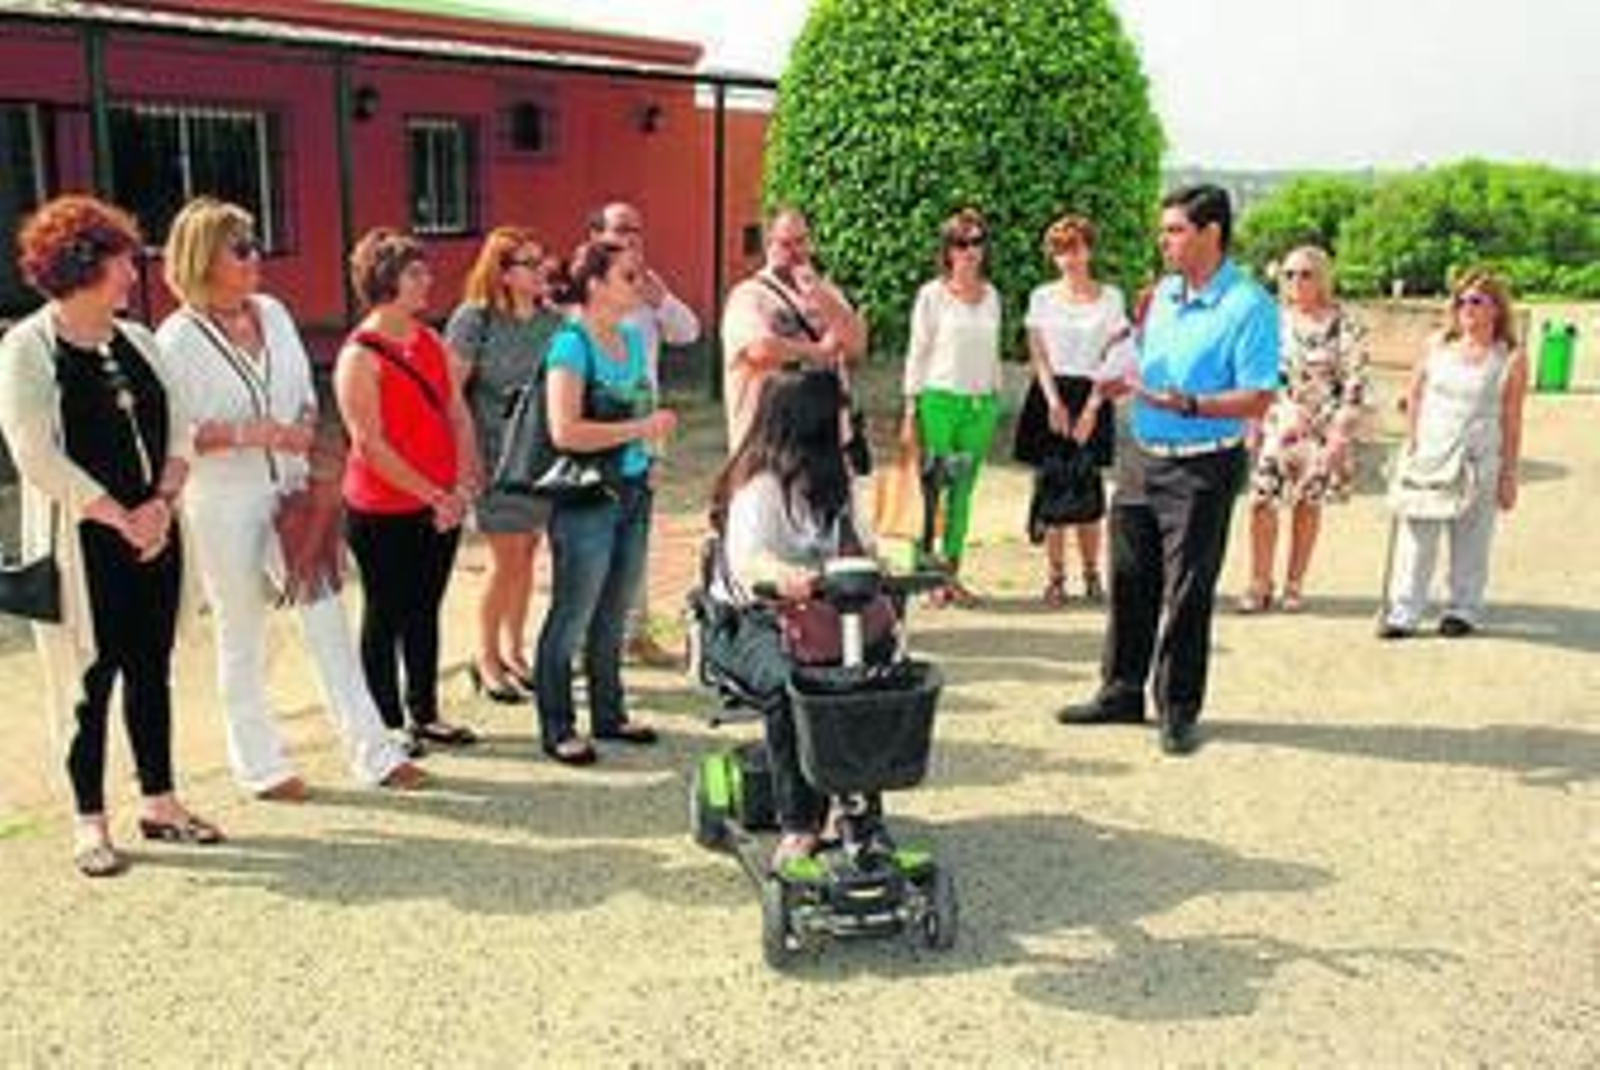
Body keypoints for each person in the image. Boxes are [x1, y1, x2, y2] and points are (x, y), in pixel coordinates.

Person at [153, 197, 425, 800]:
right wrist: (252, 433)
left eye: (255, 244)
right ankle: (260, 765)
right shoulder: (175, 338)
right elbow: (176, 432)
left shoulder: (272, 312)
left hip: (294, 492)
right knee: (241, 630)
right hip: (224, 500)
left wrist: (302, 426)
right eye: (240, 248)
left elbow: (304, 389)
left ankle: (373, 751)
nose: (255, 257)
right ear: (203, 258)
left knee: (327, 617)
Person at [0, 194, 224, 877]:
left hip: (155, 532)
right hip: (85, 543)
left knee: (150, 668)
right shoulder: (26, 348)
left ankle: (160, 802)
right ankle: (88, 821)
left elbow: (181, 428)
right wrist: (121, 515)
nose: (135, 271)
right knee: (84, 682)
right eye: (125, 259)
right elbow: (34, 453)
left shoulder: (140, 341)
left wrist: (160, 502)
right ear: (85, 263)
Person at [1057, 185, 1278, 756]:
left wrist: (1189, 405)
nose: (1165, 240)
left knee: (1187, 591)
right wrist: (1117, 380)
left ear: (1212, 233)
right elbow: (1147, 359)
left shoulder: (1249, 306)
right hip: (1142, 455)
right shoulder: (1164, 295)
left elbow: (1258, 397)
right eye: (1164, 230)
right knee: (1130, 580)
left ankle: (1177, 708)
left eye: (1176, 230)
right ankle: (1121, 690)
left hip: (1204, 467)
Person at [704, 369, 873, 869]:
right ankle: (799, 822)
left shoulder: (838, 480)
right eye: (842, 411)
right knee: (790, 684)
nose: (850, 421)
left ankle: (856, 803)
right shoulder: (760, 488)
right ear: (814, 422)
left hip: (821, 616)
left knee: (877, 673)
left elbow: (865, 541)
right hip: (749, 619)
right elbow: (750, 563)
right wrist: (786, 577)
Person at [335, 228, 481, 756]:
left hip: (438, 503)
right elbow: (369, 444)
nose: (428, 280)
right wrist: (434, 495)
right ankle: (385, 722)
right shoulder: (360, 356)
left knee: (425, 608)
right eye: (416, 272)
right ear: (386, 280)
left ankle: (425, 712)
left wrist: (463, 485)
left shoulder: (429, 340)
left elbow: (457, 414)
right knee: (386, 612)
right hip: (382, 511)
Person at [533, 240, 678, 765]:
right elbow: (564, 430)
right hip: (586, 498)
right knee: (573, 612)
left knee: (613, 610)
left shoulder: (631, 340)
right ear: (595, 283)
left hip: (634, 489)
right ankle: (557, 724)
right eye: (628, 276)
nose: (638, 285)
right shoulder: (570, 345)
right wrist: (641, 428)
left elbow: (644, 403)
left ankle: (609, 712)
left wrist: (651, 451)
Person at [445, 227, 562, 701]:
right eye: (530, 264)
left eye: (542, 261)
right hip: (493, 455)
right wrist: (464, 457)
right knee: (504, 559)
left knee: (528, 554)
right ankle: (486, 656)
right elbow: (449, 393)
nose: (542, 271)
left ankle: (515, 651)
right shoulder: (475, 320)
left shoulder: (552, 323)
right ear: (504, 273)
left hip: (540, 456)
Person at [1377, 269, 1527, 639]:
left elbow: (1512, 419)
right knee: (1417, 535)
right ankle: (1404, 611)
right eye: (1461, 300)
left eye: (1476, 301)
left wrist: (1509, 474)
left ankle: (1463, 608)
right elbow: (1415, 396)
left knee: (1472, 537)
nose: (1466, 308)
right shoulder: (1437, 346)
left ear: (1496, 309)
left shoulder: (1509, 358)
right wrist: (1411, 443)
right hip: (1431, 453)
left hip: (1479, 456)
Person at [588, 201, 700, 669]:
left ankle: (635, 633)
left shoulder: (649, 285)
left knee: (637, 530)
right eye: (619, 230)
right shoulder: (584, 285)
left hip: (645, 426)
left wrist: (661, 301)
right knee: (592, 532)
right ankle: (585, 641)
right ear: (597, 235)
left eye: (636, 229)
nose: (631, 238)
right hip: (595, 426)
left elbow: (689, 332)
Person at [1240, 245, 1371, 613]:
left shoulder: (1346, 324)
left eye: (1305, 274)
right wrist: (1258, 419)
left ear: (1323, 278)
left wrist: (1340, 432)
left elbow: (1355, 383)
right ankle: (1259, 581)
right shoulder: (1270, 320)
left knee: (1307, 504)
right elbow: (1255, 373)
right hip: (1278, 421)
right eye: (1289, 274)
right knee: (1261, 502)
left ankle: (1294, 584)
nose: (1296, 281)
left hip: (1322, 427)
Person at [1012, 214, 1131, 606]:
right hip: (1051, 394)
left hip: (1094, 390)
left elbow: (1116, 354)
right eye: (1061, 251)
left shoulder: (1112, 297)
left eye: (1075, 248)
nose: (1069, 258)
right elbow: (1038, 353)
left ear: (1089, 249)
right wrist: (1053, 403)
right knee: (1052, 486)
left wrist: (1094, 406)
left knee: (1088, 486)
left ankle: (1093, 575)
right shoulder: (1042, 297)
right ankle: (1055, 578)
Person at [900, 207, 1003, 607]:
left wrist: (993, 397)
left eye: (977, 242)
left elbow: (993, 352)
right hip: (938, 400)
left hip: (980, 404)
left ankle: (952, 576)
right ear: (947, 250)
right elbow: (918, 351)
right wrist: (911, 408)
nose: (970, 251)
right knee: (931, 490)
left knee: (963, 492)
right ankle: (925, 580)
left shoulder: (992, 295)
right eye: (962, 243)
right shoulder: (931, 295)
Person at [720, 207, 868, 454]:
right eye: (786, 244)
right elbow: (759, 349)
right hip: (769, 446)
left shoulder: (826, 290)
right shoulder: (749, 295)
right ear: (768, 245)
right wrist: (818, 352)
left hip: (828, 443)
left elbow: (857, 346)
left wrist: (820, 296)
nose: (796, 252)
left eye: (802, 241)